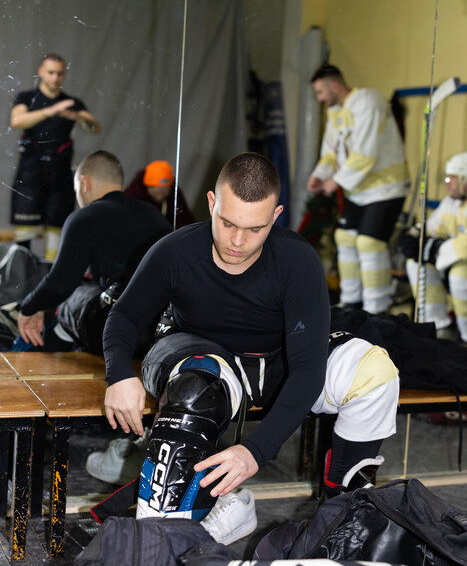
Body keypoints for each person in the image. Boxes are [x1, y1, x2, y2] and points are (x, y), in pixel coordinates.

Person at [100, 152, 399, 533]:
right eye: (226, 223)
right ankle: (163, 540)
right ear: (212, 203)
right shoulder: (175, 252)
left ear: (275, 216)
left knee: (376, 371)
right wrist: (119, 374)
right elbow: (124, 316)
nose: (237, 241)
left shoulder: (297, 261)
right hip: (202, 355)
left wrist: (256, 452)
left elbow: (308, 368)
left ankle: (340, 516)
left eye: (255, 229)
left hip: (275, 362)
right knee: (197, 389)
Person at [17, 150, 172, 354]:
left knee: (71, 299)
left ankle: (47, 352)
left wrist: (28, 308)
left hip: (119, 331)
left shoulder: (84, 217)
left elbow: (60, 283)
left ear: (84, 183)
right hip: (159, 332)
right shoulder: (155, 215)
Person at [307, 64, 410, 315]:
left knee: (369, 243)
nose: (319, 98)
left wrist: (336, 182)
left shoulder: (369, 101)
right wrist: (320, 176)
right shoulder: (336, 112)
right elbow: (331, 153)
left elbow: (366, 152)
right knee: (345, 238)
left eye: (320, 92)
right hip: (358, 190)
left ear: (334, 86)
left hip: (386, 188)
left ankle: (376, 309)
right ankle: (350, 303)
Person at [10, 53, 102, 261]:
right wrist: (51, 111)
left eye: (59, 73)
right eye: (50, 72)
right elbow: (17, 121)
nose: (55, 78)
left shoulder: (72, 103)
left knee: (56, 230)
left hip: (59, 172)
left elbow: (94, 127)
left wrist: (77, 116)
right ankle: (22, 279)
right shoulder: (27, 98)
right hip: (31, 171)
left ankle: (49, 281)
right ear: (41, 72)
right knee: (25, 231)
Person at [399, 152, 467, 343]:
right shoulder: (452, 201)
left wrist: (435, 249)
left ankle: (465, 336)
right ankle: (438, 326)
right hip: (452, 262)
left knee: (460, 274)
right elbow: (433, 226)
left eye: (452, 178)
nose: (447, 183)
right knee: (416, 262)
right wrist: (414, 234)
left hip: (461, 267)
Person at [125, 160, 196, 228]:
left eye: (164, 191)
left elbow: (185, 219)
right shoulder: (133, 197)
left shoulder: (174, 194)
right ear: (148, 187)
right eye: (157, 192)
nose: (160, 196)